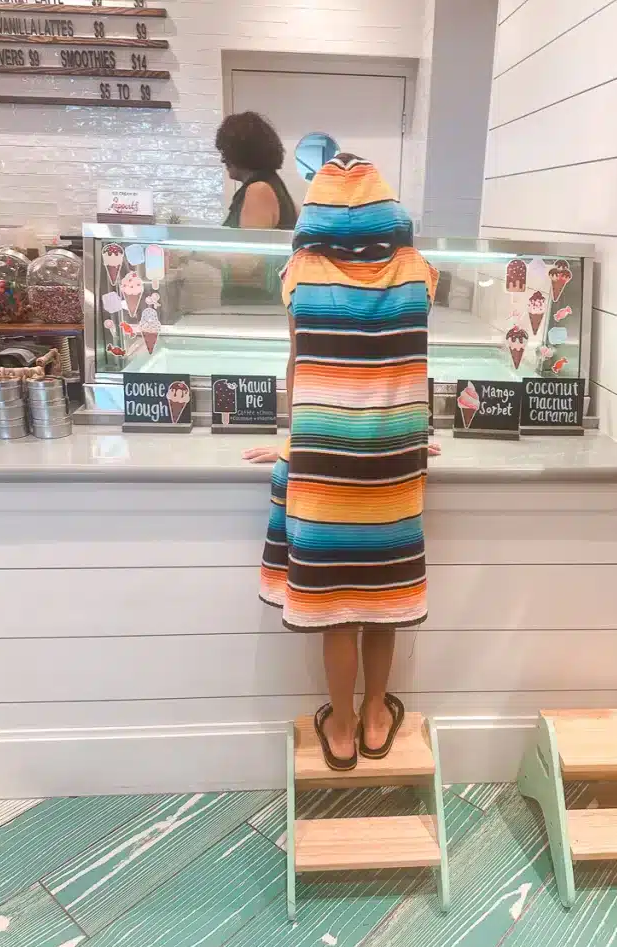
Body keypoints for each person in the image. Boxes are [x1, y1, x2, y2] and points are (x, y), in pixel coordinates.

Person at [245, 154, 439, 771]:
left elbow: (300, 366)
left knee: (337, 603)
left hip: (325, 461)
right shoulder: (417, 270)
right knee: (383, 593)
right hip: (394, 459)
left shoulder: (301, 271)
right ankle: (379, 713)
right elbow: (409, 367)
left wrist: (290, 439)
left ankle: (342, 730)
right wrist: (412, 427)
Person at [214, 111, 298, 304]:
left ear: (241, 153)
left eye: (225, 153)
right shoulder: (274, 186)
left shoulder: (258, 191)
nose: (223, 160)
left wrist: (193, 252)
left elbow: (245, 266)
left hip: (254, 306)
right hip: (265, 307)